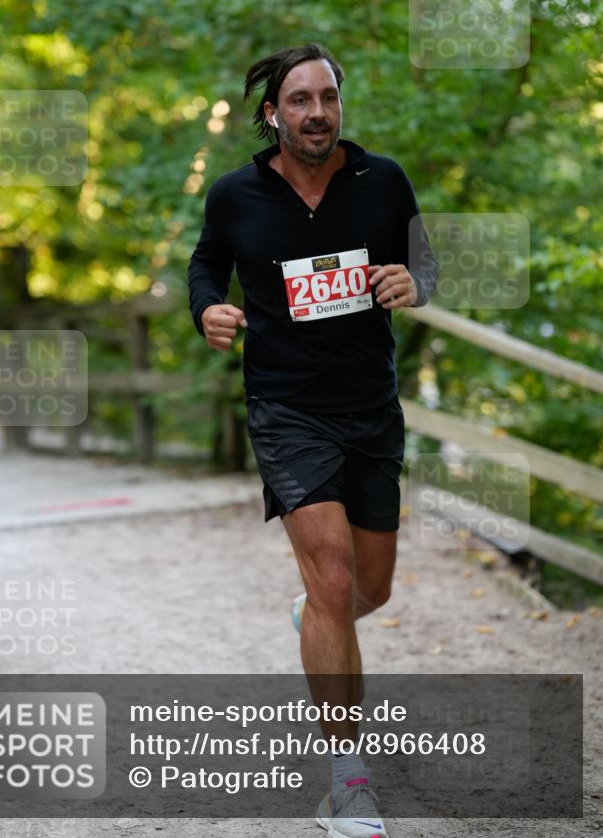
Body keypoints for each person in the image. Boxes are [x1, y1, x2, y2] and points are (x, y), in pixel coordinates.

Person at [188, 43, 439, 838]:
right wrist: (207, 309)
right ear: (273, 114)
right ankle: (347, 784)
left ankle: (316, 614)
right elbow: (205, 265)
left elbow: (425, 266)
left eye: (327, 97)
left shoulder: (382, 180)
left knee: (369, 590)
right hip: (286, 410)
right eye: (299, 100)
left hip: (369, 409)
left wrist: (413, 283)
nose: (316, 112)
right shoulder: (235, 194)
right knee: (333, 577)